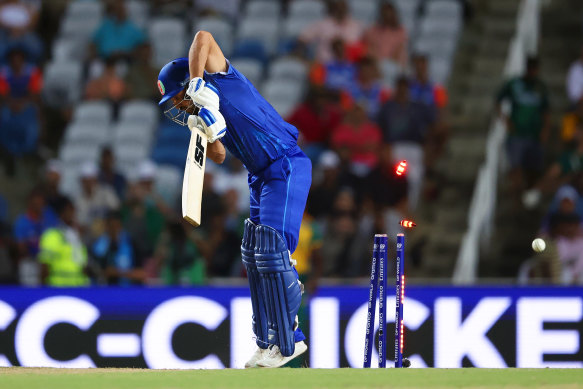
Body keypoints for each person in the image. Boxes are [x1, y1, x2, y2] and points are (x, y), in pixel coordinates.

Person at [157, 30, 312, 367]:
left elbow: (203, 37)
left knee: (273, 251)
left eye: (179, 98)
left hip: (285, 163)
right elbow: (219, 156)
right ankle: (268, 339)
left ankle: (292, 338)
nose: (180, 108)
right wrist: (209, 127)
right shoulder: (199, 113)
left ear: (187, 84)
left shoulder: (218, 75)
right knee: (255, 254)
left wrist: (197, 81)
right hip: (260, 175)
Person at [496, 56, 550, 205]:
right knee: (516, 168)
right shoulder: (514, 84)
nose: (533, 72)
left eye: (535, 69)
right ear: (527, 68)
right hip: (517, 133)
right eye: (530, 68)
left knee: (534, 170)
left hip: (534, 134)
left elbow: (546, 111)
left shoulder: (540, 87)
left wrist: (545, 130)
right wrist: (505, 120)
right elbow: (498, 100)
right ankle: (515, 199)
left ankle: (528, 198)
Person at [38, 197, 90, 287]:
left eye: (74, 210)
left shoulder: (76, 235)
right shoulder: (51, 235)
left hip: (78, 288)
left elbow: (82, 264)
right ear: (62, 213)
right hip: (58, 288)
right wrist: (44, 291)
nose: (73, 214)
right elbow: (44, 267)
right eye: (70, 210)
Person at [362, 2, 408, 67]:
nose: (387, 16)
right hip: (376, 65)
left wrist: (390, 65)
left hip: (394, 65)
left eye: (389, 14)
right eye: (385, 14)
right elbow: (370, 48)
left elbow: (399, 50)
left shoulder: (400, 31)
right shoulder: (373, 30)